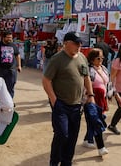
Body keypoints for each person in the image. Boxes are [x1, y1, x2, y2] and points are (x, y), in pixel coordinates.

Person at [42, 32, 96, 165]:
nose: (79, 46)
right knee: (62, 134)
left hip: (77, 105)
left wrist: (90, 95)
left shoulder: (82, 57)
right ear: (66, 43)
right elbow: (46, 80)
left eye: (80, 43)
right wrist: (54, 100)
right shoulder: (57, 59)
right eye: (76, 43)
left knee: (72, 137)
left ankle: (67, 162)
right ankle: (54, 162)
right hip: (61, 104)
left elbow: (86, 77)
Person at [82, 48, 109, 156]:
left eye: (102, 57)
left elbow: (108, 83)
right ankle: (101, 147)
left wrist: (115, 95)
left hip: (102, 100)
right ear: (92, 59)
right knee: (96, 122)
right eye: (98, 58)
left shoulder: (104, 68)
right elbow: (84, 85)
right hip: (90, 100)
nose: (101, 60)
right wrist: (89, 96)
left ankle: (87, 140)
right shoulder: (88, 70)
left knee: (92, 121)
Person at [0, 30, 21, 98]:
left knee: (10, 87)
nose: (10, 39)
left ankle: (9, 102)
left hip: (11, 70)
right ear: (3, 37)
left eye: (11, 37)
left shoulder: (13, 46)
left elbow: (17, 55)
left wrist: (19, 65)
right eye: (8, 37)